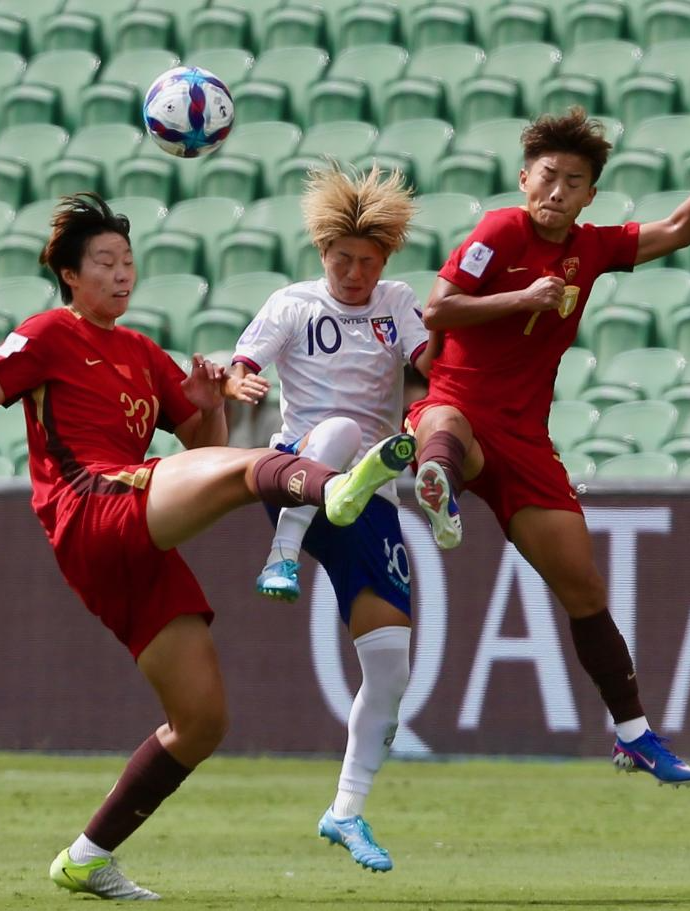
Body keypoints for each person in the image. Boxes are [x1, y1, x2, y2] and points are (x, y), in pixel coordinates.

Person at [0, 192, 417, 901]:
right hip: (88, 505)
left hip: (136, 535)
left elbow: (203, 449)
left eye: (128, 262)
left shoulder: (142, 353)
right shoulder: (48, 333)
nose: (121, 274)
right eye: (104, 262)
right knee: (255, 468)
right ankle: (335, 490)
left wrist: (208, 405)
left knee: (201, 721)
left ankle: (86, 856)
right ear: (70, 275)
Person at [406, 108, 690, 788]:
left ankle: (634, 736)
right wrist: (520, 298)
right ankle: (437, 481)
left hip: (526, 439)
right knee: (445, 426)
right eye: (547, 177)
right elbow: (437, 309)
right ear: (524, 180)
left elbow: (678, 230)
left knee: (585, 588)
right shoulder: (499, 230)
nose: (557, 191)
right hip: (459, 403)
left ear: (591, 194)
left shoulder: (591, 248)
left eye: (573, 182)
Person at [227, 164, 436, 873]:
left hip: (372, 498)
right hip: (300, 473)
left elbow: (430, 359)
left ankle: (346, 810)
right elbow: (244, 361)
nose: (354, 273)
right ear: (322, 252)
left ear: (386, 261)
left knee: (391, 669)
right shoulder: (291, 303)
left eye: (368, 262)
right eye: (342, 259)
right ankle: (281, 555)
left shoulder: (397, 303)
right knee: (342, 430)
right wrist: (240, 380)